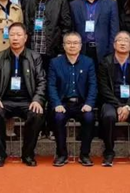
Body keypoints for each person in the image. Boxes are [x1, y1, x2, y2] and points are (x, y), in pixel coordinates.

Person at [0, 23, 47, 167]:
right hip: (5, 100)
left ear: (25, 38)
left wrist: (37, 99)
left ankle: (28, 154)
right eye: (12, 35)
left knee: (37, 114)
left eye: (19, 35)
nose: (15, 38)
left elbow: (42, 81)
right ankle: (0, 155)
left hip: (28, 100)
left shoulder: (35, 57)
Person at [97, 31, 130, 167]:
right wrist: (118, 105)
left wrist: (128, 106)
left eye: (126, 40)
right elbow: (104, 88)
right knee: (108, 116)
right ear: (114, 44)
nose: (122, 43)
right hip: (112, 100)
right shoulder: (105, 62)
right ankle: (109, 152)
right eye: (119, 40)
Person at [48, 32, 97, 167]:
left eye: (75, 43)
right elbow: (51, 86)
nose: (72, 46)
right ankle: (62, 154)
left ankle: (84, 154)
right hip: (63, 103)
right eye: (68, 43)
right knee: (58, 118)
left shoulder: (88, 62)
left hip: (82, 103)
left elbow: (93, 85)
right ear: (64, 46)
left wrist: (89, 103)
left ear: (80, 46)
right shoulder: (55, 63)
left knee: (89, 118)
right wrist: (57, 104)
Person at [22, 0, 72, 71]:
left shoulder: (60, 1)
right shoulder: (29, 1)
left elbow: (66, 27)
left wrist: (61, 51)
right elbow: (26, 25)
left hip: (52, 52)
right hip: (32, 52)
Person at [71, 0, 119, 65]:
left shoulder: (110, 4)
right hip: (81, 50)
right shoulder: (74, 5)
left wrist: (111, 52)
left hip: (103, 51)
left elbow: (114, 30)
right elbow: (72, 29)